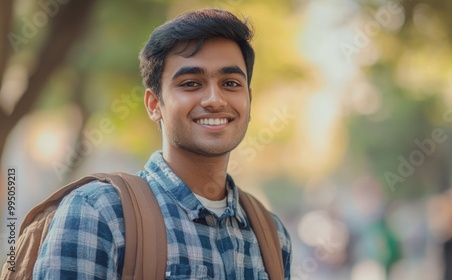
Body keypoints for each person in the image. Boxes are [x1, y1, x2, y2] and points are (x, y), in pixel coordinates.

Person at [32, 8, 292, 279]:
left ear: (248, 100)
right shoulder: (99, 214)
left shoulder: (272, 236)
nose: (215, 100)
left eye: (230, 83)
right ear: (154, 105)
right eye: (192, 83)